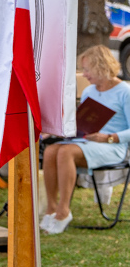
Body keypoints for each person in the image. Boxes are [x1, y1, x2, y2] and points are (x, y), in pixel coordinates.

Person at [41, 45, 130, 234]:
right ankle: (51, 207)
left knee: (65, 152)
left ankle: (64, 211)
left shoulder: (125, 92)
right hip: (86, 142)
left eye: (87, 69)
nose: (85, 74)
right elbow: (83, 122)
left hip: (113, 146)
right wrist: (58, 131)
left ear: (101, 66)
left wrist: (109, 137)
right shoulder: (90, 91)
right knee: (50, 150)